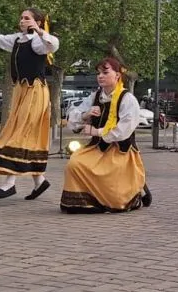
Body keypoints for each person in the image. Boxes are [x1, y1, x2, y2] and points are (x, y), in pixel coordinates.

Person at [0, 8, 59, 199]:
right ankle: (39, 181)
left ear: (38, 22)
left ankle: (10, 183)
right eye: (22, 18)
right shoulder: (18, 39)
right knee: (24, 134)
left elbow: (53, 45)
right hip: (21, 91)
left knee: (18, 133)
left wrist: (40, 31)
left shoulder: (38, 42)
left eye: (27, 18)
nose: (23, 20)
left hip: (35, 91)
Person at [58, 57, 150, 213]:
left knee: (112, 184)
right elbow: (73, 117)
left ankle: (136, 191)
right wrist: (85, 115)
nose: (100, 76)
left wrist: (97, 131)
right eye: (98, 73)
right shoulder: (95, 97)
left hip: (121, 150)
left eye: (105, 72)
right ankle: (86, 202)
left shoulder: (127, 99)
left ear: (117, 76)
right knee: (75, 163)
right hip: (98, 148)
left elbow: (124, 130)